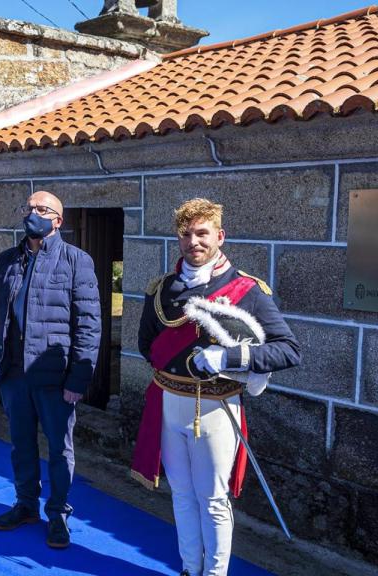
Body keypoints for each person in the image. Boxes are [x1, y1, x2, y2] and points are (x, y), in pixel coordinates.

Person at [133, 198, 301, 576]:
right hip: (170, 403)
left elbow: (288, 351)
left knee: (212, 499)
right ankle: (190, 569)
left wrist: (229, 360)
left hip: (216, 409)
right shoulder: (161, 290)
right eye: (186, 234)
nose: (194, 241)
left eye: (202, 233)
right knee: (181, 495)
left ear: (219, 236)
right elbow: (147, 346)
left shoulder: (248, 289)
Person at [0, 190, 101, 549]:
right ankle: (26, 505)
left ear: (58, 220)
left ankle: (58, 513)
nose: (34, 213)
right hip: (14, 374)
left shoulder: (77, 261)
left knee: (60, 451)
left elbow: (89, 325)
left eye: (42, 209)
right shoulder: (6, 261)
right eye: (29, 208)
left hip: (55, 378)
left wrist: (79, 379)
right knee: (21, 445)